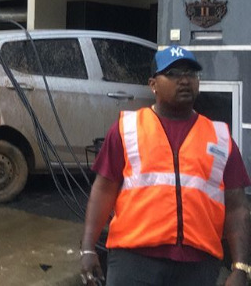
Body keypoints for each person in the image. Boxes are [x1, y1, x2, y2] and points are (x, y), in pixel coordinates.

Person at [80, 45, 251, 286]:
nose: (184, 80)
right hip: (133, 260)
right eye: (173, 74)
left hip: (198, 266)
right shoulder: (127, 129)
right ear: (153, 85)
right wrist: (88, 248)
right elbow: (104, 190)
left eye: (191, 74)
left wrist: (241, 267)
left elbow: (237, 207)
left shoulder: (220, 137)